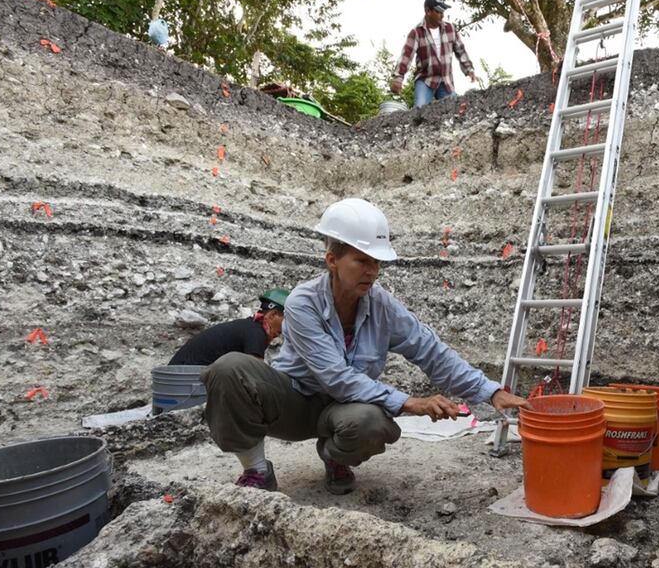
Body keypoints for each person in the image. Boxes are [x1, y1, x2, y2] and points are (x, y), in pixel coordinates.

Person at [201, 198, 527, 494]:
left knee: (371, 422)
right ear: (332, 260)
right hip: (294, 403)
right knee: (229, 369)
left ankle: (335, 456)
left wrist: (491, 392)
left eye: (377, 262)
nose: (372, 272)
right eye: (361, 261)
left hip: (342, 410)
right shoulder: (302, 303)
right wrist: (411, 402)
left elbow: (430, 351)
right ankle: (257, 470)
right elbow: (335, 376)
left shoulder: (382, 306)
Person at [390, 0, 477, 108]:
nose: (442, 15)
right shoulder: (417, 33)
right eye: (438, 12)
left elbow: (460, 51)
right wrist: (398, 78)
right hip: (426, 80)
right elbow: (406, 56)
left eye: (443, 12)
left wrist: (469, 69)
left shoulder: (450, 29)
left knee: (456, 109)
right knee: (419, 110)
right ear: (428, 11)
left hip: (446, 81)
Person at [169, 289, 289, 366]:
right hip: (185, 381)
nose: (286, 328)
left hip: (176, 377)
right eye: (287, 320)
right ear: (273, 315)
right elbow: (255, 374)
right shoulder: (257, 333)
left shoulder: (249, 327)